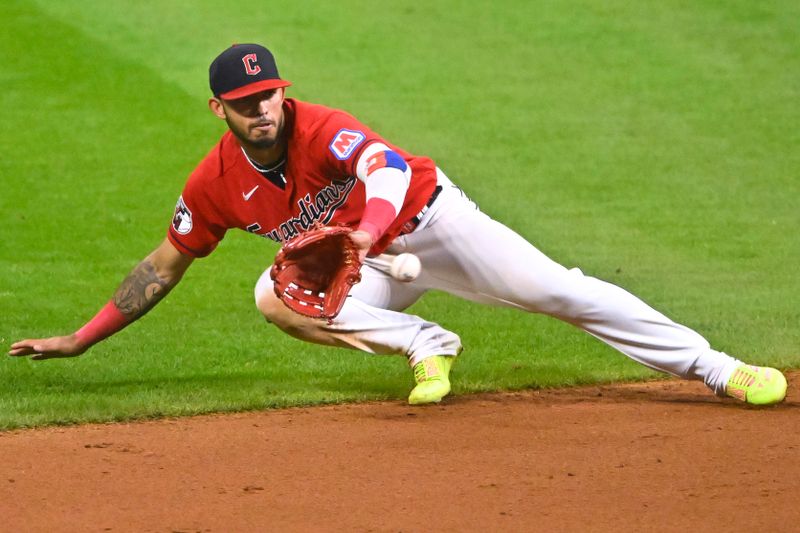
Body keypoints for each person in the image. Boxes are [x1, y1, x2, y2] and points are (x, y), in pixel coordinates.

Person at [9, 43, 788, 406]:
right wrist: (83, 335)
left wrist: (368, 230)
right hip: (370, 264)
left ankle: (717, 367)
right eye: (247, 103)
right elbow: (163, 265)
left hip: (430, 221)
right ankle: (425, 346)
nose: (265, 109)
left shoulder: (321, 127)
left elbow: (382, 166)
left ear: (285, 91)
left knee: (562, 292)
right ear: (221, 109)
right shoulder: (212, 183)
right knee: (273, 295)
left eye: (271, 94)